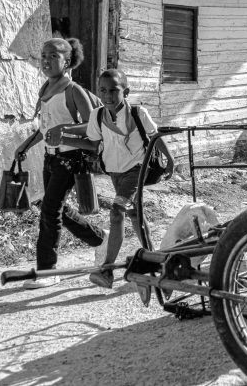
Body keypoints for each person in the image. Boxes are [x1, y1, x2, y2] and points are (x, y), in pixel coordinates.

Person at [50, 69, 175, 288]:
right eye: (103, 90)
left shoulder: (138, 113)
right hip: (115, 173)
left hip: (137, 169)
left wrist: (170, 158)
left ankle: (106, 270)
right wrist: (64, 138)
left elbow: (155, 137)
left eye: (114, 90)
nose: (108, 95)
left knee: (117, 213)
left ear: (125, 91)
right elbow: (93, 144)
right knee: (135, 214)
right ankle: (155, 258)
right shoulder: (98, 116)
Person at [14, 38, 107, 289]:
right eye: (43, 55)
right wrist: (25, 146)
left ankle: (47, 271)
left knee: (49, 211)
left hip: (71, 159)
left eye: (53, 56)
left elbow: (94, 126)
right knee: (57, 209)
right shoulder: (45, 89)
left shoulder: (72, 90)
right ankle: (101, 240)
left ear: (67, 62)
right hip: (51, 157)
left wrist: (64, 128)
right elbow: (45, 128)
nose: (46, 60)